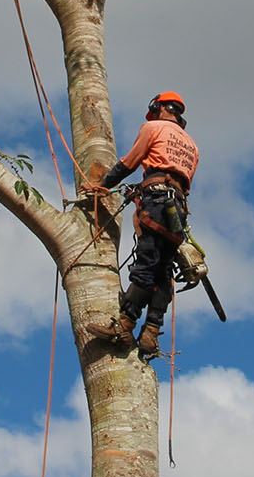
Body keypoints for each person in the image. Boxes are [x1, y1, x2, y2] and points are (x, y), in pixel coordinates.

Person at [81, 91, 199, 357]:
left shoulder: (153, 127)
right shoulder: (192, 145)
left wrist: (103, 185)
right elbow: (180, 181)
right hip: (178, 209)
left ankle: (124, 324)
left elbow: (129, 162)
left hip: (157, 202)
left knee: (146, 263)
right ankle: (151, 332)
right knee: (163, 271)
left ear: (159, 108)